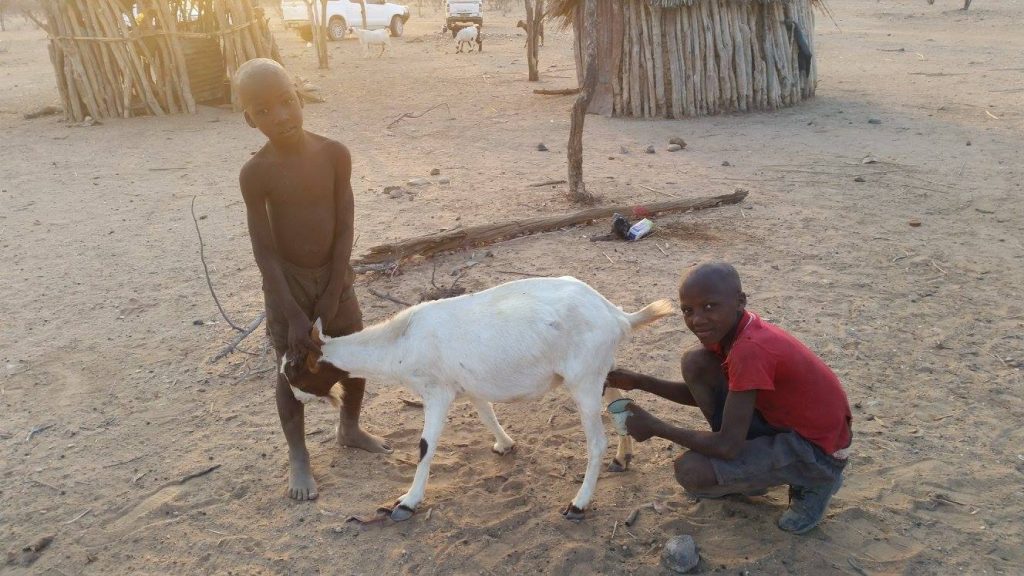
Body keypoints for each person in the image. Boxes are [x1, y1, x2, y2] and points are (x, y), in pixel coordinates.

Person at [236, 58, 392, 501]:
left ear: (299, 98)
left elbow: (345, 229)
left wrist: (330, 296)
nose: (281, 115)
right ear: (250, 120)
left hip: (335, 277)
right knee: (290, 368)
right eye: (264, 110)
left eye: (287, 102)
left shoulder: (333, 154)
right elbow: (264, 250)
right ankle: (299, 456)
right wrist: (293, 311)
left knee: (353, 355)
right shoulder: (256, 173)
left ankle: (350, 428)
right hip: (286, 284)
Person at [606, 262, 852, 534]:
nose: (697, 319)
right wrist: (640, 382)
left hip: (818, 449)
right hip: (788, 423)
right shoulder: (734, 330)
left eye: (709, 306)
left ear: (740, 301)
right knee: (696, 362)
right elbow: (709, 394)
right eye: (688, 310)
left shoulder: (750, 350)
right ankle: (751, 474)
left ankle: (815, 482)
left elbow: (727, 445)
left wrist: (656, 427)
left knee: (691, 472)